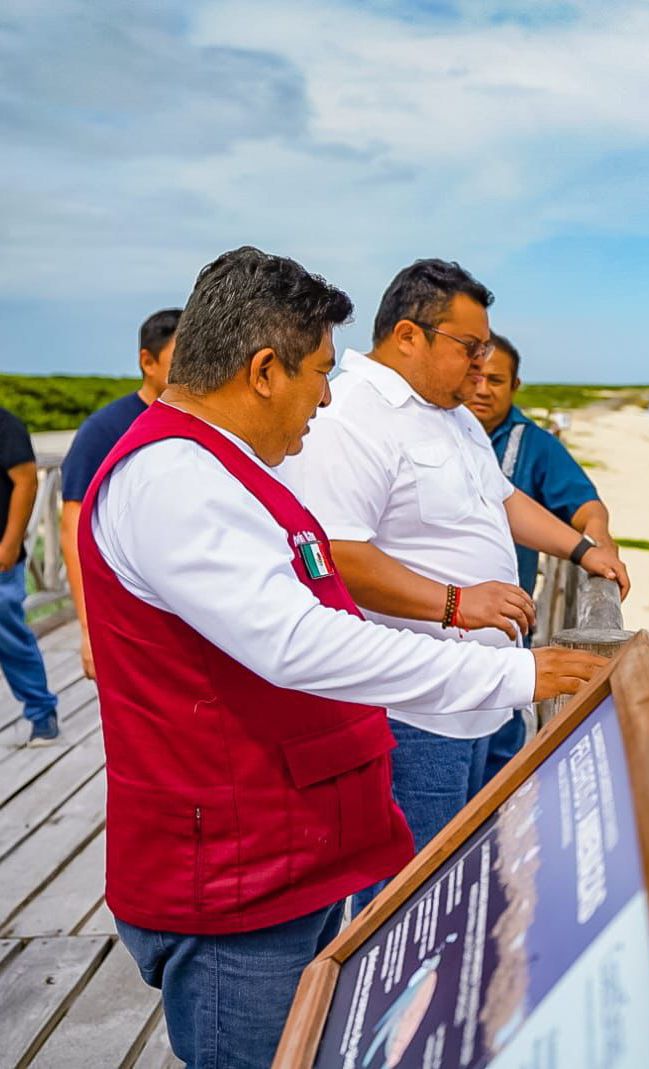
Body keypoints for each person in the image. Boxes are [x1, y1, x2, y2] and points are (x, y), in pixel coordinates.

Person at [79, 246, 605, 1069]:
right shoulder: (173, 478)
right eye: (320, 372)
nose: (327, 396)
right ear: (262, 371)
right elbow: (297, 642)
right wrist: (511, 671)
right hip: (235, 881)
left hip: (292, 854)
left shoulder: (228, 465)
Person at [281, 261, 629, 898]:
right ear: (410, 335)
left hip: (490, 700)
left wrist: (583, 549)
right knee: (411, 897)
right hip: (415, 715)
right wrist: (454, 604)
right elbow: (336, 554)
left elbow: (503, 499)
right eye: (470, 348)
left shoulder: (452, 412)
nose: (480, 365)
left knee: (480, 878)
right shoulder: (352, 417)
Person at [467, 333, 618, 780]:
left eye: (496, 379)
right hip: (439, 623)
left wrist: (598, 541)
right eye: (475, 375)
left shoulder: (533, 443)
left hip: (508, 623)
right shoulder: (442, 427)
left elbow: (585, 503)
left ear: (514, 386)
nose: (482, 388)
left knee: (500, 756)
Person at [59, 308, 179, 679]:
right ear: (148, 361)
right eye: (182, 359)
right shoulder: (105, 429)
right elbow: (72, 526)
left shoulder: (196, 425)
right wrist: (87, 628)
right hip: (125, 612)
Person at [0, 406, 59, 745]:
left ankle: (41, 711)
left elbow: (25, 481)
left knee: (10, 638)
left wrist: (9, 544)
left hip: (2, 562)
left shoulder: (6, 425)